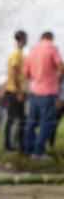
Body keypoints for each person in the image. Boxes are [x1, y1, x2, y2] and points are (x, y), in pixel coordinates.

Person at [24, 31, 62, 161]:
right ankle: (38, 151)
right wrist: (56, 78)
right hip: (48, 91)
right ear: (50, 38)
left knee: (31, 122)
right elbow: (60, 66)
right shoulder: (52, 48)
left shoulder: (32, 51)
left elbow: (26, 72)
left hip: (34, 91)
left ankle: (28, 149)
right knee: (47, 123)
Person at [4, 30, 27, 152]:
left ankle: (19, 145)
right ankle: (8, 146)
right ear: (22, 38)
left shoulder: (20, 53)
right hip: (13, 91)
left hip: (17, 90)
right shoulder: (16, 53)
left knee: (21, 119)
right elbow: (14, 73)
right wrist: (19, 92)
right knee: (12, 119)